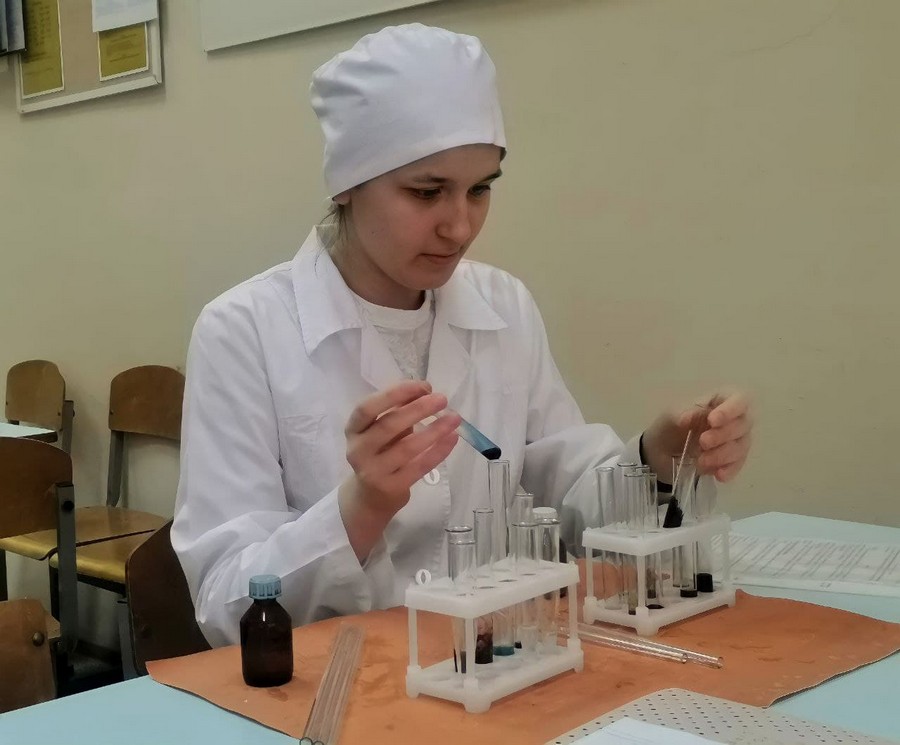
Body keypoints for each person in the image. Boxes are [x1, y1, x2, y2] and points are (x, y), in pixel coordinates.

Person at [172, 24, 752, 647]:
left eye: (480, 190)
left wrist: (655, 461)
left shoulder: (504, 306)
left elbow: (565, 502)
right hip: (342, 676)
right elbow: (226, 601)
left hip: (500, 662)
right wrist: (361, 508)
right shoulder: (244, 331)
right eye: (427, 192)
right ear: (345, 184)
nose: (459, 226)